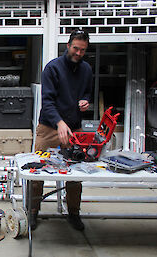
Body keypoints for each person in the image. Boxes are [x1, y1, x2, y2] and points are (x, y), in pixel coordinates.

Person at [29, 29, 92, 231]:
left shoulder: (87, 70)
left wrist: (85, 102)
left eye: (83, 50)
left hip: (73, 129)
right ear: (68, 45)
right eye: (76, 48)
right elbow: (47, 102)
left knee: (74, 172)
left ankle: (74, 213)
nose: (79, 53)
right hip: (49, 128)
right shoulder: (52, 69)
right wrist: (59, 122)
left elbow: (87, 93)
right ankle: (32, 212)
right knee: (36, 172)